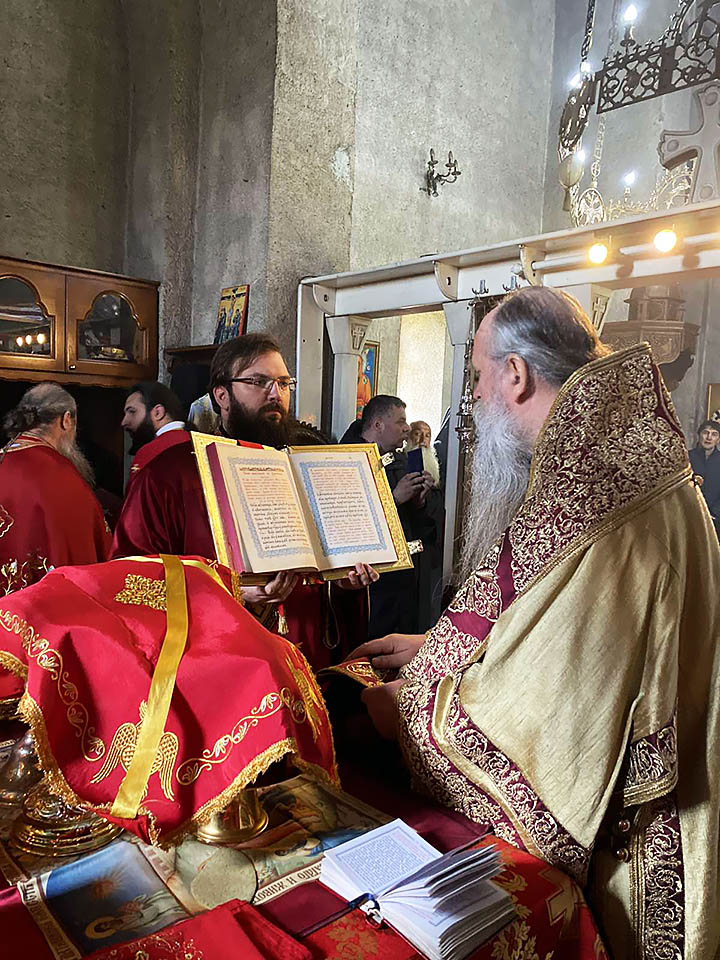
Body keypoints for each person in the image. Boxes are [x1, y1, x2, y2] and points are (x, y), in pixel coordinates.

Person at [355, 287, 719, 960]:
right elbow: (547, 622)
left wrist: (406, 714)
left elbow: (554, 719)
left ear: (516, 374)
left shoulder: (584, 494)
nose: (475, 396)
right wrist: (436, 645)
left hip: (628, 841)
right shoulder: (624, 455)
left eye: (478, 377)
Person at [208, 334, 376, 668]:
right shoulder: (186, 473)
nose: (276, 394)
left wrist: (344, 581)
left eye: (284, 383)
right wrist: (232, 592)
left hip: (307, 646)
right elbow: (156, 578)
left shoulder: (310, 460)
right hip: (228, 654)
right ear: (222, 395)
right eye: (259, 382)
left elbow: (329, 560)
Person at [0, 382, 111, 595]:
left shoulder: (4, 458)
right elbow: (89, 549)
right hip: (40, 607)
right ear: (66, 420)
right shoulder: (62, 475)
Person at [347, 395, 443, 639]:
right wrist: (395, 498)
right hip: (370, 586)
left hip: (406, 585)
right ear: (378, 425)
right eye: (401, 421)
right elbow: (348, 524)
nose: (407, 428)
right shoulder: (346, 459)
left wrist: (420, 503)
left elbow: (422, 527)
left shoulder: (404, 460)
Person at [111, 382, 212, 558]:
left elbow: (135, 526)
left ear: (158, 412)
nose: (124, 422)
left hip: (168, 560)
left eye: (132, 412)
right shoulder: (205, 444)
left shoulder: (152, 453)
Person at [688, 419, 720, 536]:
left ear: (718, 439)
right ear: (699, 435)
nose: (709, 437)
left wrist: (715, 513)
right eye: (705, 433)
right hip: (689, 516)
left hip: (715, 520)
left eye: (714, 434)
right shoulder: (687, 458)